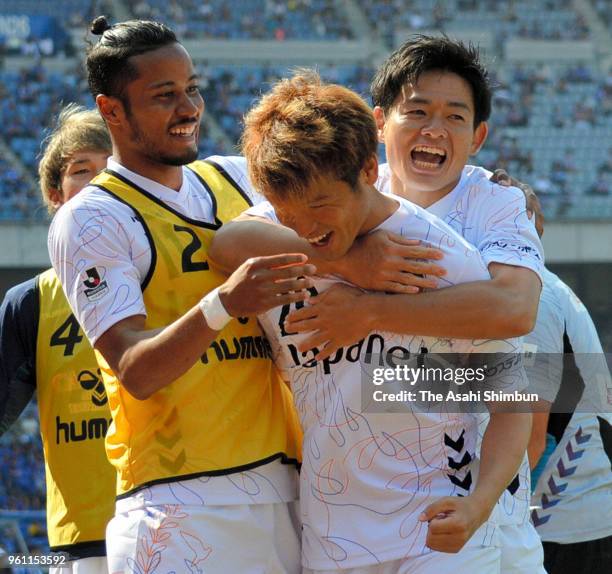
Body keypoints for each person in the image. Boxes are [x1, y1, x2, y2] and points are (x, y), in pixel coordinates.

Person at [209, 36, 546, 574]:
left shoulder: (473, 226)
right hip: (333, 535)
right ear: (381, 124)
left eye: (454, 117)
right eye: (417, 111)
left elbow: (517, 347)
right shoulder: (298, 207)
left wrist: (367, 313)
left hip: (455, 521)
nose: (305, 226)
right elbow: (226, 245)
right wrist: (346, 264)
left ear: (478, 135)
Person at [48, 17, 315, 574]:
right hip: (181, 504)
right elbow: (135, 369)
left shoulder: (236, 178)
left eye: (191, 88)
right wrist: (221, 306)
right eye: (163, 95)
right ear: (112, 110)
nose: (188, 107)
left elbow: (345, 211)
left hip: (290, 487)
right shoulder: (93, 218)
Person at [0, 104, 114, 574]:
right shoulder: (31, 303)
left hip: (196, 517)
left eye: (112, 172)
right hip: (87, 542)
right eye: (82, 171)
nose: (98, 185)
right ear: (54, 194)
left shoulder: (192, 275)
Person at [526, 264, 612, 573]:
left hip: (568, 518)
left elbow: (531, 441)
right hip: (580, 511)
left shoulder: (534, 298)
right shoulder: (540, 287)